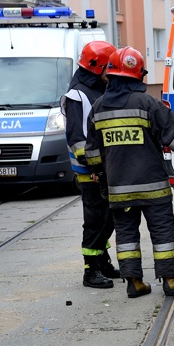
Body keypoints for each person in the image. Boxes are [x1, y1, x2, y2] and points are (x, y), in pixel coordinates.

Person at [85, 47, 174, 298]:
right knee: (162, 233)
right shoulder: (148, 104)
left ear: (112, 75)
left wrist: (102, 178)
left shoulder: (98, 108)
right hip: (152, 186)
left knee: (126, 235)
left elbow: (92, 153)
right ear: (138, 75)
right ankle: (170, 279)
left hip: (118, 189)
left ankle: (134, 282)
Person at [61, 40, 119, 289]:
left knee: (108, 218)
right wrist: (94, 167)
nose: (112, 72)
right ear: (97, 67)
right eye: (110, 67)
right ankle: (91, 270)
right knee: (96, 219)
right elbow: (77, 140)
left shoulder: (97, 88)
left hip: (103, 168)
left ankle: (102, 261)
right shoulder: (77, 95)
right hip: (90, 172)